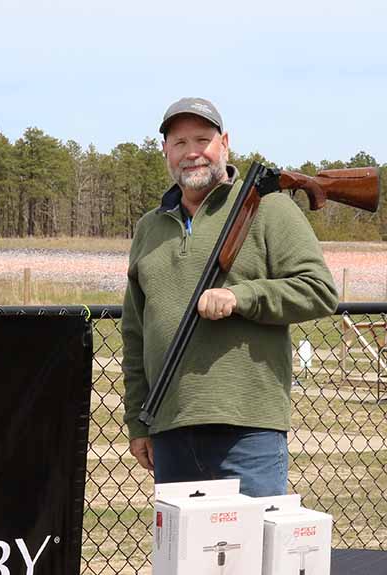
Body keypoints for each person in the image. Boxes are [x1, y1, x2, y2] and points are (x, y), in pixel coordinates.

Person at [121, 97, 338, 496]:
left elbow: (320, 290)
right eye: (180, 142)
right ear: (165, 151)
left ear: (225, 143)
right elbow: (135, 334)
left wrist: (242, 296)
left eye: (202, 139)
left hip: (248, 429)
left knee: (254, 555)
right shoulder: (149, 228)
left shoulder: (268, 209)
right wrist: (138, 423)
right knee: (183, 558)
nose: (191, 153)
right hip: (170, 428)